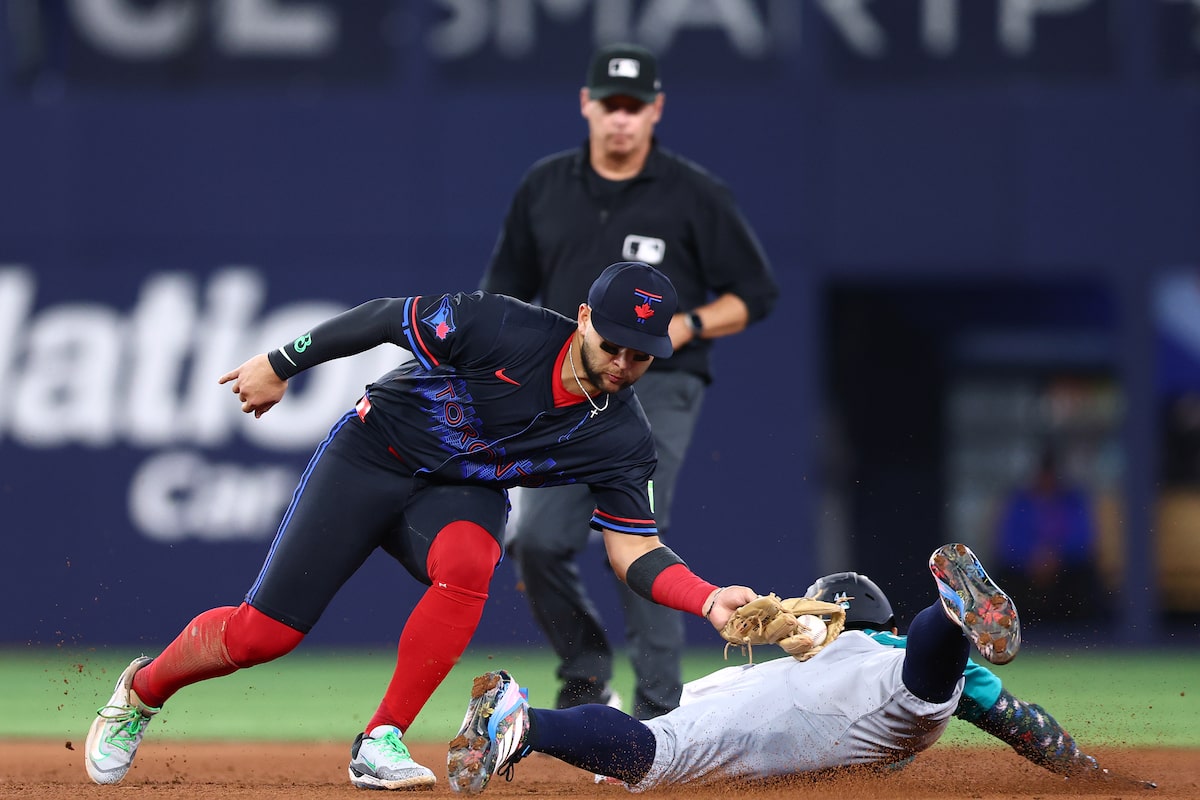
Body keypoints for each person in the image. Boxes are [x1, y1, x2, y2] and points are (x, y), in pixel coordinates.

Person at [83, 261, 758, 790]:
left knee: (471, 561)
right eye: (613, 345)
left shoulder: (623, 436)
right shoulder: (503, 326)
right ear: (582, 318)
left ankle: (381, 740)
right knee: (262, 636)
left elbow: (633, 551)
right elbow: (383, 318)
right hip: (371, 456)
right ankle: (140, 693)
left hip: (459, 495)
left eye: (641, 356)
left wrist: (706, 598)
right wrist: (280, 363)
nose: (622, 366)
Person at [479, 41, 779, 719]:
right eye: (609, 105)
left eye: (634, 106)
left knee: (637, 538)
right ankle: (586, 672)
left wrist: (689, 325)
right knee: (536, 542)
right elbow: (503, 294)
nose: (621, 118)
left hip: (658, 384)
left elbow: (755, 294)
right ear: (586, 105)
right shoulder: (545, 186)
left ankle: (657, 715)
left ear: (656, 110)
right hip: (568, 388)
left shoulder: (694, 194)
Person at [447, 543, 1157, 793]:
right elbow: (1021, 723)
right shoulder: (876, 649)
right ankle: (947, 616)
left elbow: (676, 719)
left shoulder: (812, 642)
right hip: (851, 695)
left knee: (655, 750)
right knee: (922, 690)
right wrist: (1088, 775)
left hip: (777, 699)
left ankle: (527, 720)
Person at [993, 446, 1105, 622]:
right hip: (1026, 570)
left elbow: (1084, 540)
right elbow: (1007, 542)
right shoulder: (1020, 501)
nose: (1047, 481)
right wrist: (1033, 557)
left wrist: (1055, 557)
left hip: (1064, 570)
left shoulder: (1073, 500)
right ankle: (1011, 628)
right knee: (1005, 577)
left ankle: (1082, 631)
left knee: (1085, 577)